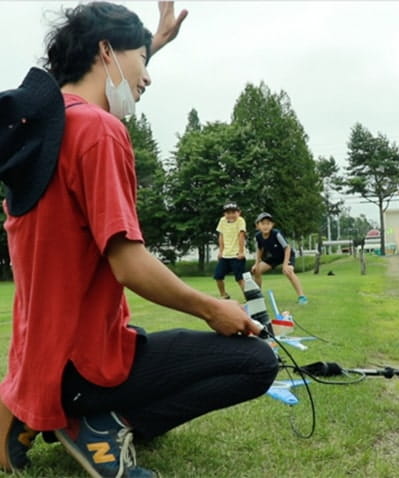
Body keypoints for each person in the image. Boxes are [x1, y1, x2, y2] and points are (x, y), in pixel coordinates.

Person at [0, 3, 278, 477]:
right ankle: (102, 424)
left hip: (42, 360)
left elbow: (102, 87)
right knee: (256, 363)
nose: (147, 77)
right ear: (106, 51)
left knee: (148, 344)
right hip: (88, 365)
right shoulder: (100, 132)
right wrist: (213, 308)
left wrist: (153, 46)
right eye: (142, 61)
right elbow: (128, 265)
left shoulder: (39, 132)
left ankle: (45, 415)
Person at [251, 212, 308, 305]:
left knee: (288, 271)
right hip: (273, 257)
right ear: (257, 225)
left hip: (287, 255)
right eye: (263, 223)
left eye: (268, 223)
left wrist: (285, 265)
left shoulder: (276, 234)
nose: (265, 226)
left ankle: (302, 296)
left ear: (272, 225)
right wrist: (256, 263)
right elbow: (259, 249)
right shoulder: (258, 236)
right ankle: (258, 296)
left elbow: (287, 248)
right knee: (256, 270)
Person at [213, 202, 247, 299]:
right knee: (218, 276)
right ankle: (224, 295)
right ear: (224, 214)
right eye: (228, 213)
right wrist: (220, 251)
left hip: (236, 255)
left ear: (239, 212)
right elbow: (221, 236)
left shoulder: (240, 221)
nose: (230, 215)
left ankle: (248, 298)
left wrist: (241, 252)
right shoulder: (222, 221)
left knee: (240, 279)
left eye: (233, 212)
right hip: (225, 255)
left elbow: (241, 236)